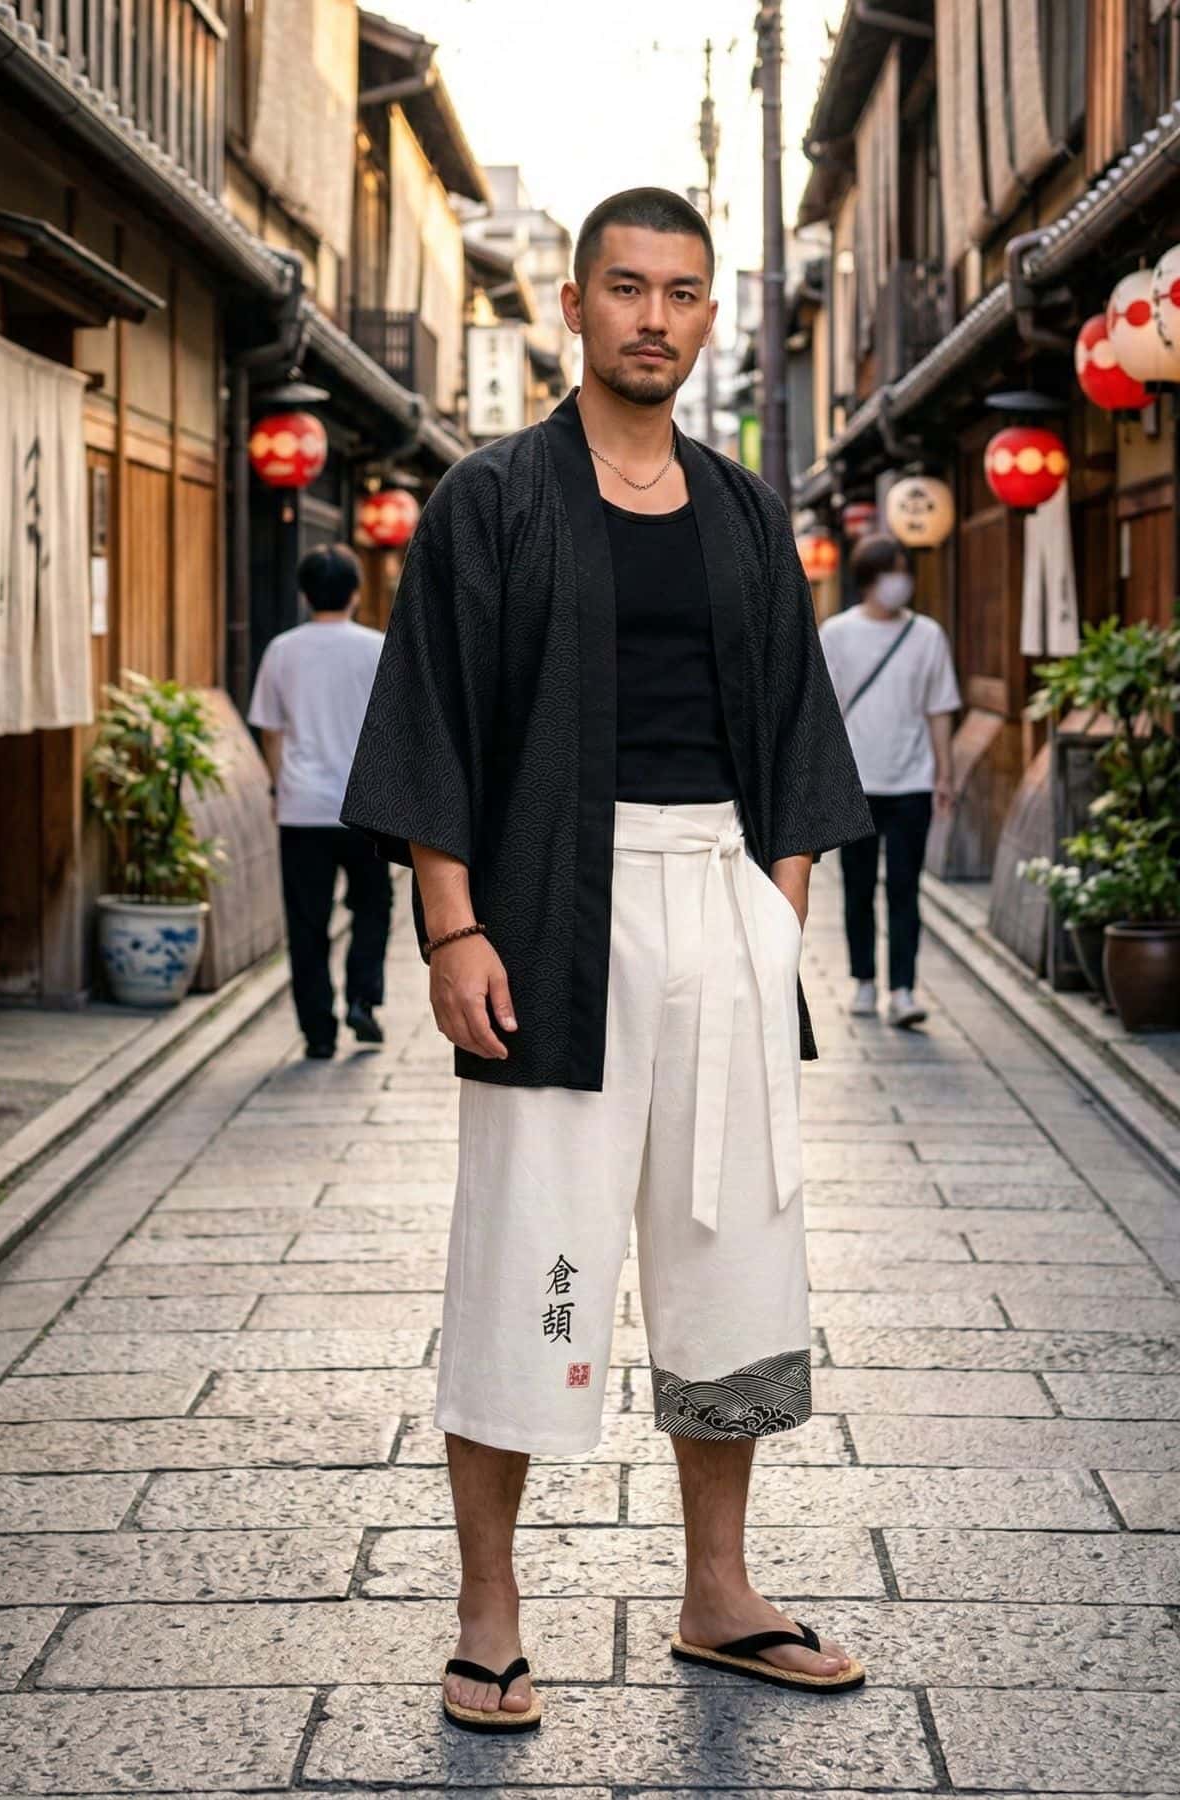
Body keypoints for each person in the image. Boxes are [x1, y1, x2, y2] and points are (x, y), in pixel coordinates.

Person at [342, 188, 875, 1732]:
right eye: (627, 289)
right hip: (544, 912)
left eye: (685, 293)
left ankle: (719, 1594)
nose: (656, 317)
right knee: (530, 1252)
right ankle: (489, 1609)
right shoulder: (493, 498)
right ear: (573, 306)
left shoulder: (741, 510)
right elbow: (433, 715)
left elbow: (791, 733)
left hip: (721, 898)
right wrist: (450, 926)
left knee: (734, 1247)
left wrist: (777, 913)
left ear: (712, 316)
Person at [249, 543, 391, 1059]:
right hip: (367, 809)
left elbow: (271, 731)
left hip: (302, 807)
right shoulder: (377, 648)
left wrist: (277, 786)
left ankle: (318, 1032)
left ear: (305, 594)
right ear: (355, 593)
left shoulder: (283, 650)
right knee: (374, 905)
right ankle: (363, 998)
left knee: (306, 922)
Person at [818, 533, 961, 1028]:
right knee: (858, 887)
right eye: (891, 572)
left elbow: (939, 709)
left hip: (912, 781)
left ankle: (902, 989)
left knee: (905, 887)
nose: (902, 582)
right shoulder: (836, 634)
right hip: (856, 781)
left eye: (906, 571)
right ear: (868, 579)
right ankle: (863, 980)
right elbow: (825, 711)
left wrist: (945, 772)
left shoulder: (927, 635)